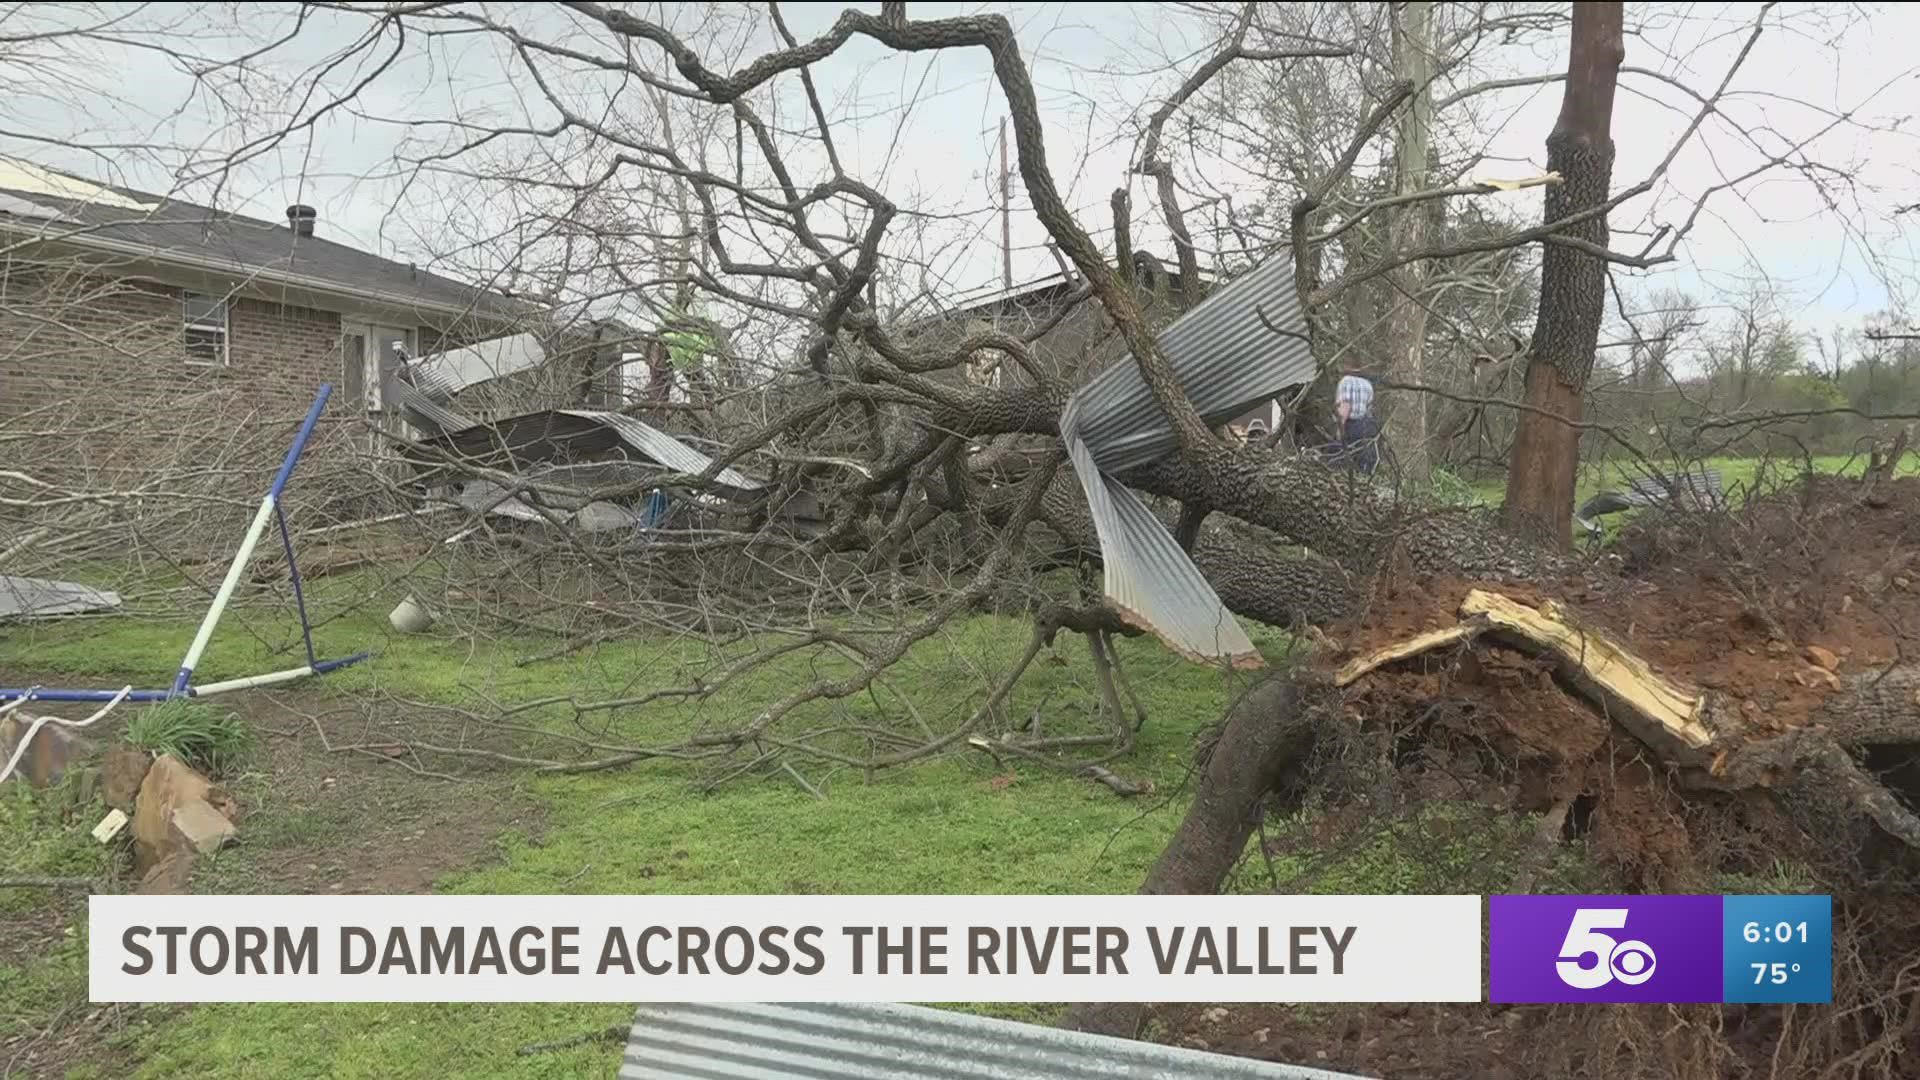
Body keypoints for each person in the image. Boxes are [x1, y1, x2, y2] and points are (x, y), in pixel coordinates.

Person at [1332, 372, 1380, 474]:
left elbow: (1345, 408)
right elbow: (1369, 409)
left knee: (1338, 459)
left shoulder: (1346, 382)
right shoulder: (1368, 385)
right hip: (1367, 426)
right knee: (1364, 462)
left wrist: (1339, 433)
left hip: (1351, 426)